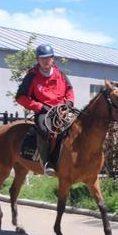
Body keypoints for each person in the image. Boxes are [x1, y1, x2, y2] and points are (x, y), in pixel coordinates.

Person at [15, 44, 75, 176]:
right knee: (45, 130)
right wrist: (39, 107)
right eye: (42, 58)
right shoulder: (32, 76)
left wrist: (69, 103)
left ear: (52, 58)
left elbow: (69, 90)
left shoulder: (60, 74)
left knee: (77, 127)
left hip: (62, 109)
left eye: (48, 58)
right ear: (37, 60)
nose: (45, 61)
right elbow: (21, 97)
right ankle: (48, 162)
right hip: (44, 112)